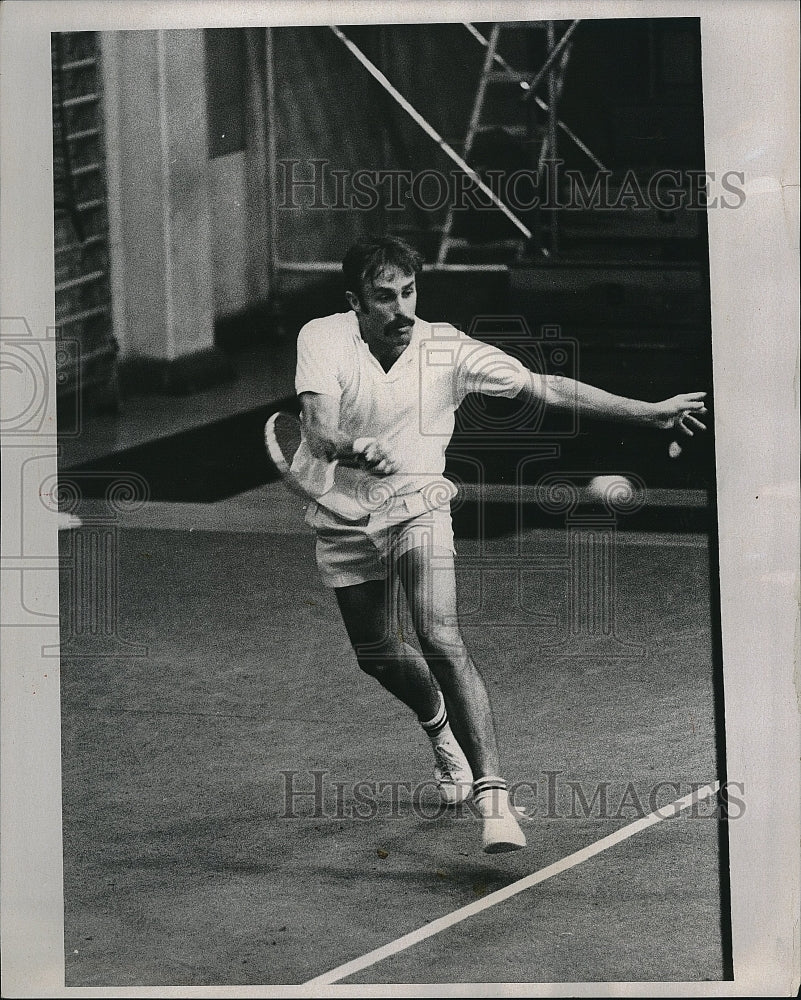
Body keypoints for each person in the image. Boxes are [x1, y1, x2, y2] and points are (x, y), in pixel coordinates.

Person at [293, 236, 707, 853]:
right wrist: (352, 449)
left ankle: (494, 797)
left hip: (418, 503)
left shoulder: (445, 348)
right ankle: (439, 727)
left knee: (439, 635)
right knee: (378, 654)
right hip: (341, 511)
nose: (401, 308)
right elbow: (320, 429)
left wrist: (647, 413)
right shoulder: (322, 339)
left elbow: (550, 388)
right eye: (384, 297)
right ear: (355, 302)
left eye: (409, 292)